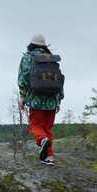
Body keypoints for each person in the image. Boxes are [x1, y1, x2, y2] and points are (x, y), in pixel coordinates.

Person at [18, 34, 64, 166]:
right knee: (47, 128)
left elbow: (23, 79)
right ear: (44, 46)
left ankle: (42, 140)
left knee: (35, 126)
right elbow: (60, 80)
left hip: (35, 99)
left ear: (31, 45)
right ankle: (49, 157)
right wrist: (59, 99)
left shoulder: (27, 58)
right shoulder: (52, 59)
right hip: (52, 100)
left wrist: (22, 97)